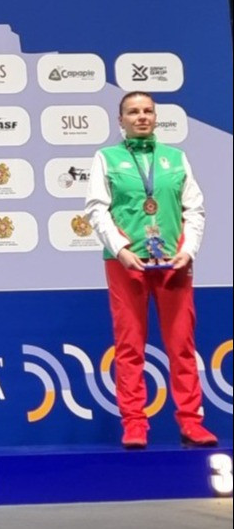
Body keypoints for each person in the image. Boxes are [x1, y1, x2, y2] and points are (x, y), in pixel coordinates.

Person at [84, 91, 217, 450]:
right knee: (129, 346)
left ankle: (190, 422)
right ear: (121, 120)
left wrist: (188, 250)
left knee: (182, 346)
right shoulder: (106, 158)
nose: (141, 117)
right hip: (126, 265)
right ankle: (134, 423)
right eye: (133, 112)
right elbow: (96, 208)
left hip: (174, 264)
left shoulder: (176, 158)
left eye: (147, 111)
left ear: (156, 117)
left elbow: (194, 209)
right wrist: (121, 249)